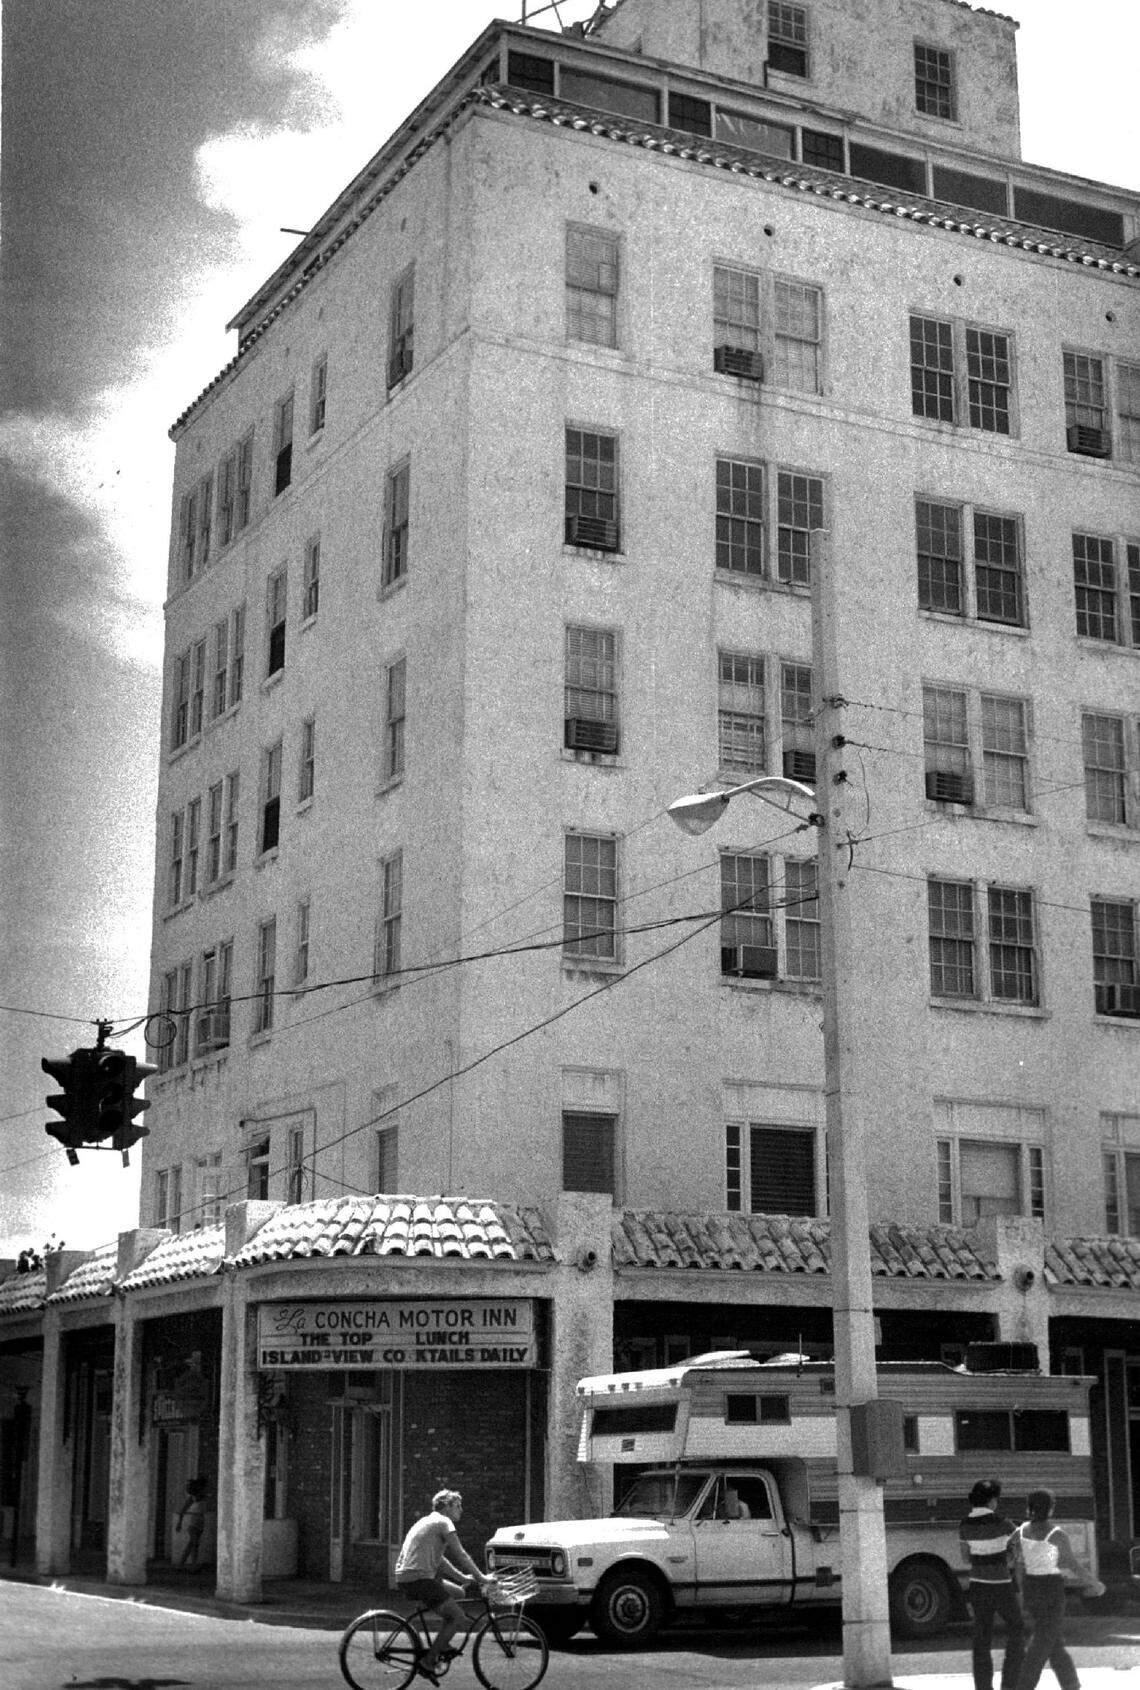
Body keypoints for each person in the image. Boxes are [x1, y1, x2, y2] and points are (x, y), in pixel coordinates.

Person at [1012, 1488, 1106, 1690]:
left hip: (1030, 1587)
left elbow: (1018, 1563)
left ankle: (1071, 1684)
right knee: (1041, 1643)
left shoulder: (1021, 1531)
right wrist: (1095, 1583)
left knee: (1053, 1641)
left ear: (1029, 1508)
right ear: (1050, 1509)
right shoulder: (1057, 1534)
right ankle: (1024, 1686)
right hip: (1051, 1589)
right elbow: (1073, 1564)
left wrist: (1021, 1591)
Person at [394, 1489, 490, 1683]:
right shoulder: (444, 1522)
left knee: (459, 1593)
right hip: (420, 1580)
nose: (461, 1510)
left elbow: (439, 1560)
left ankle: (443, 1643)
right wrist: (481, 1578)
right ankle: (428, 1662)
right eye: (458, 1506)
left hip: (408, 1577)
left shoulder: (427, 1521)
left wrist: (462, 1577)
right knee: (458, 1616)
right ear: (446, 1506)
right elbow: (461, 1554)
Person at [959, 1478, 1026, 1690]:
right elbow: (1017, 1552)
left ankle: (983, 1687)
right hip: (1001, 1584)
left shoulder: (965, 1524)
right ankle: (1009, 1684)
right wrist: (1007, 1556)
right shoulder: (1004, 1524)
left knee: (982, 1637)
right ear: (992, 1501)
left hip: (977, 1585)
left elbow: (965, 1558)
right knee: (1017, 1628)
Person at [177, 1477, 208, 1569]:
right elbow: (182, 1511)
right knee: (195, 1544)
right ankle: (193, 1565)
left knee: (191, 1544)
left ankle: (181, 1564)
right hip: (194, 1522)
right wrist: (179, 1523)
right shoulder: (192, 1498)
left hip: (200, 1522)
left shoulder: (203, 1497)